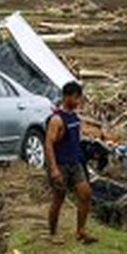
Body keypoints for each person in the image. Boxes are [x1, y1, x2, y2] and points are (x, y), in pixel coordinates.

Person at [45, 81, 97, 244]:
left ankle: (80, 231)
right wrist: (54, 169)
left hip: (75, 163)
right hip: (61, 165)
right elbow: (48, 144)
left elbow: (75, 139)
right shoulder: (56, 120)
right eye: (76, 98)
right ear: (67, 97)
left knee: (86, 194)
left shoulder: (74, 117)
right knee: (58, 198)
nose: (78, 102)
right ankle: (53, 233)